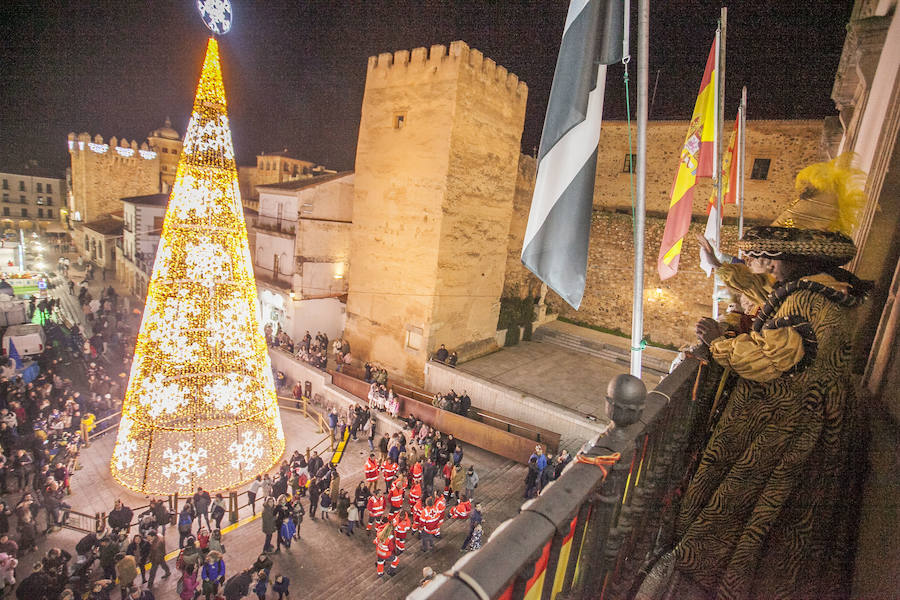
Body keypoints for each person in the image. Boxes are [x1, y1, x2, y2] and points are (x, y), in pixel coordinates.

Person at [637, 156, 871, 600]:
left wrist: (717, 340)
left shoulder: (808, 303)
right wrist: (723, 268)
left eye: (775, 256)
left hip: (784, 434)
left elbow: (766, 358)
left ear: (798, 257)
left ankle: (708, 577)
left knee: (750, 515)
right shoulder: (818, 290)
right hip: (807, 424)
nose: (769, 263)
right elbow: (767, 296)